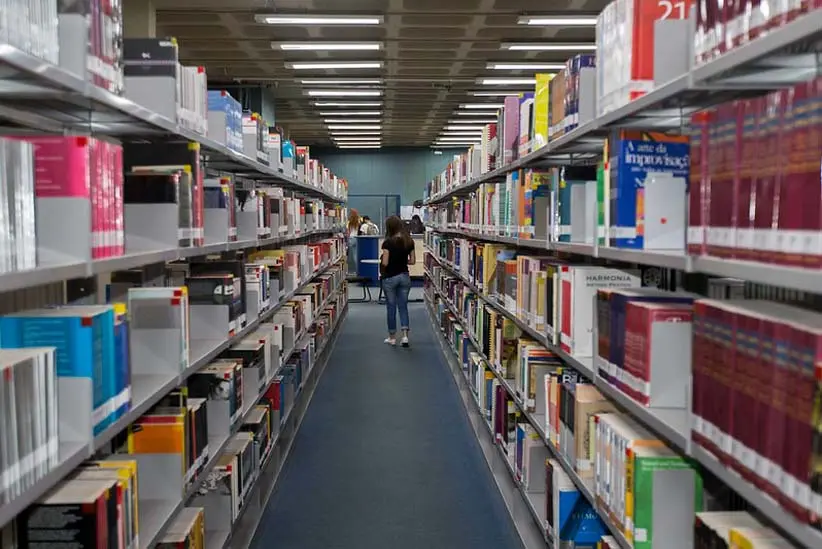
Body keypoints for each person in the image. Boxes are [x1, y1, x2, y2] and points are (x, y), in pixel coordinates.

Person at [380, 215, 415, 347]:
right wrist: (402, 261)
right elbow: (412, 261)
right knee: (403, 307)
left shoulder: (387, 243)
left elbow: (385, 262)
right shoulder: (409, 241)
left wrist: (384, 264)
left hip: (390, 278)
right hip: (405, 277)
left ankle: (392, 337)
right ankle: (405, 336)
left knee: (391, 307)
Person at [346, 209, 360, 275]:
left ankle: (348, 270)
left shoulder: (349, 222)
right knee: (356, 255)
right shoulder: (358, 221)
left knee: (348, 255)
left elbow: (348, 232)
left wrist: (347, 240)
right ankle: (358, 270)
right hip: (357, 238)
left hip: (351, 238)